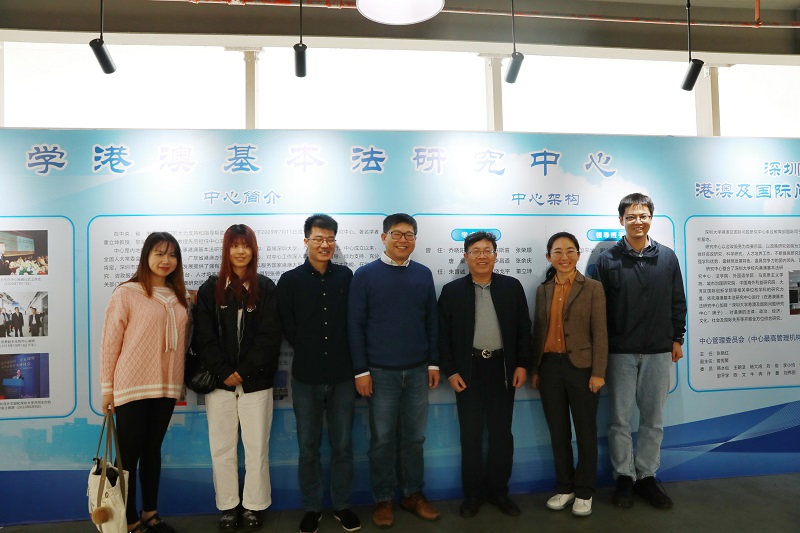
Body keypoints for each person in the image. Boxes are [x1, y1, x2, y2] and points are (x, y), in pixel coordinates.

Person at [593, 193, 687, 509]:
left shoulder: (668, 257)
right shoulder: (608, 260)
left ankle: (646, 477)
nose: (638, 221)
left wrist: (677, 338)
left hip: (659, 350)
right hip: (620, 352)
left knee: (653, 419)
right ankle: (624, 477)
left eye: (643, 215)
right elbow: (599, 309)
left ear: (651, 218)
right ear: (621, 220)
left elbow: (677, 301)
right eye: (631, 216)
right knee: (619, 419)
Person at [347, 213, 440, 528]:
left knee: (414, 439)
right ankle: (383, 498)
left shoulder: (423, 274)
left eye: (409, 234)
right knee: (382, 441)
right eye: (397, 234)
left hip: (417, 372)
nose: (403, 239)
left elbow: (431, 321)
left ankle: (412, 494)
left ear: (415, 239)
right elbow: (355, 325)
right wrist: (360, 371)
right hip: (379, 373)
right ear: (383, 237)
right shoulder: (365, 275)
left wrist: (434, 363)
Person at [100, 231, 190, 533]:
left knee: (153, 450)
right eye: (159, 253)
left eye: (172, 255)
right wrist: (107, 389)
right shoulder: (127, 293)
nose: (166, 260)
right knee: (128, 456)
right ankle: (128, 520)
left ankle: (150, 513)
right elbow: (110, 342)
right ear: (146, 256)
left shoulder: (180, 297)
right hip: (132, 385)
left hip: (166, 386)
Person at [193, 224, 281, 531]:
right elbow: (203, 336)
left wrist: (243, 372)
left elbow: (270, 337)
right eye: (234, 245)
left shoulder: (266, 287)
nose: (240, 251)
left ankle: (254, 506)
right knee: (222, 448)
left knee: (257, 448)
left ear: (253, 250)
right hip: (220, 384)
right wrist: (224, 372)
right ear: (226, 250)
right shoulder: (210, 289)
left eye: (246, 245)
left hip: (256, 383)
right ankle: (229, 506)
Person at [276, 214, 361, 533]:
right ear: (306, 241)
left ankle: (342, 505)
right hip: (306, 376)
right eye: (318, 239)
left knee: (343, 446)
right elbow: (287, 324)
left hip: (342, 375)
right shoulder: (290, 280)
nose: (325, 244)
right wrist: (308, 346)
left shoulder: (346, 277)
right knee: (308, 447)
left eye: (330, 239)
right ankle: (312, 509)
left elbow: (354, 320)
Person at [438, 231, 531, 518]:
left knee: (501, 435)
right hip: (468, 372)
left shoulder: (511, 287)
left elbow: (523, 330)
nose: (481, 256)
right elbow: (442, 337)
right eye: (475, 251)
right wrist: (451, 371)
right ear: (466, 257)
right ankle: (473, 495)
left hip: (503, 370)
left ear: (495, 255)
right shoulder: (452, 291)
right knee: (471, 436)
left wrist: (522, 364)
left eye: (487, 250)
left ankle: (499, 492)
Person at [530, 232, 607, 517]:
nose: (564, 257)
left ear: (578, 254)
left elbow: (601, 333)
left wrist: (598, 372)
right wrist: (536, 369)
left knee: (586, 431)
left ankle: (585, 491)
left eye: (570, 251)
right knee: (558, 431)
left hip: (582, 368)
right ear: (548, 256)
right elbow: (538, 332)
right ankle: (565, 487)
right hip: (550, 367)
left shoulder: (593, 288)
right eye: (558, 252)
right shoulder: (543, 290)